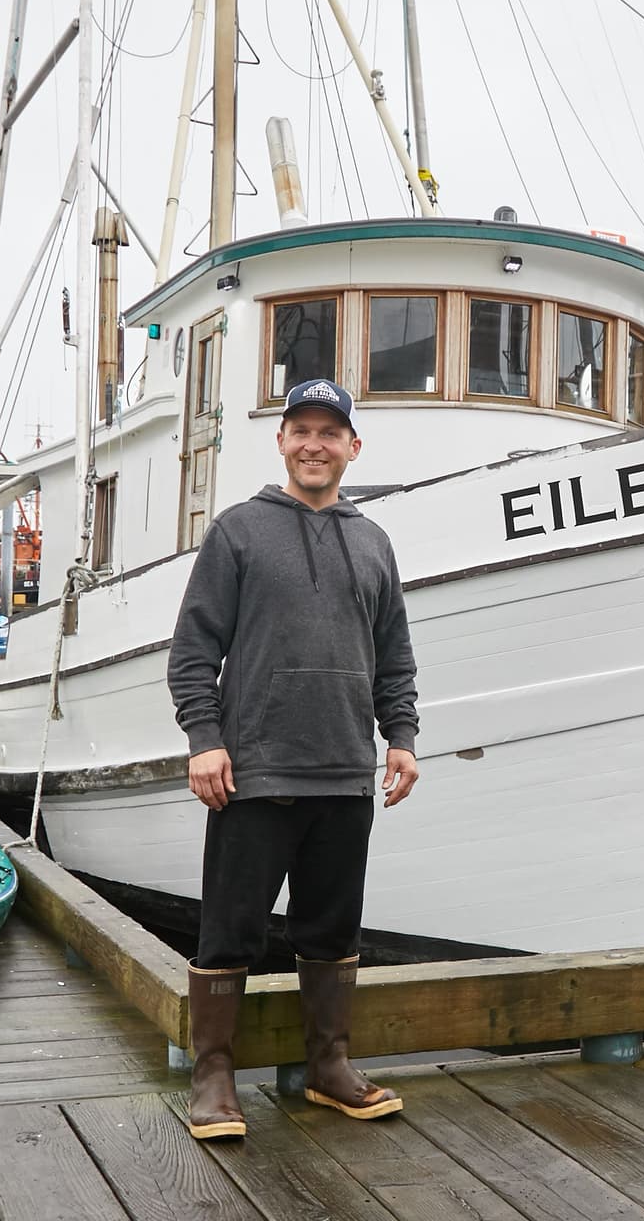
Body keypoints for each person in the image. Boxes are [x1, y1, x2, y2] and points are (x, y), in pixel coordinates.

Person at [166, 376, 420, 1140]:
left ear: (352, 447)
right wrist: (205, 740)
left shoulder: (374, 541)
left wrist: (401, 738)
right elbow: (192, 651)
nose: (315, 444)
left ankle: (328, 1066)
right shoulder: (238, 532)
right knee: (229, 930)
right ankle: (214, 1074)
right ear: (281, 442)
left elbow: (393, 659)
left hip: (345, 773)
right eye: (301, 430)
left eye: (329, 432)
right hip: (253, 773)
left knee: (332, 929)